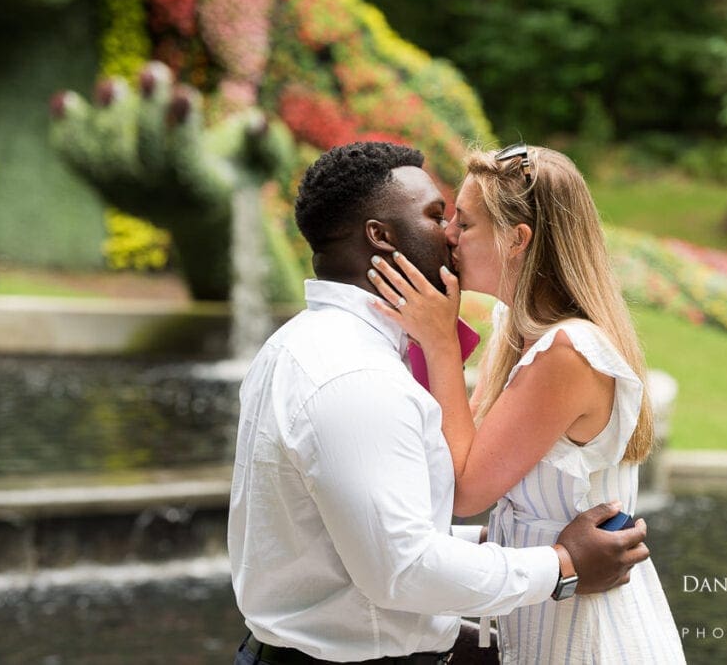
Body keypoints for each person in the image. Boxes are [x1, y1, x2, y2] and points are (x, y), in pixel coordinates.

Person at [227, 141, 652, 665]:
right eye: (436, 216)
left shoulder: (299, 344)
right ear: (381, 236)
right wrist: (562, 566)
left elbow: (363, 529)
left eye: (461, 222)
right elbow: (403, 567)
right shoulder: (356, 375)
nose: (449, 234)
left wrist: (495, 544)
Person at [367, 144, 686, 663]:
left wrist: (441, 345)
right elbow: (461, 458)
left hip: (588, 638)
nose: (447, 235)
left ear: (517, 240)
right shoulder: (520, 331)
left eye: (465, 225)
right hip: (545, 619)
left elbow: (465, 489)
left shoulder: (568, 353)